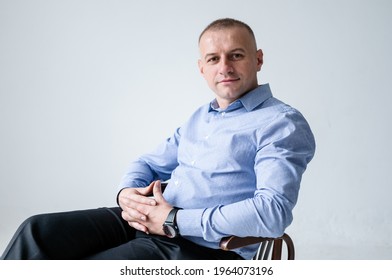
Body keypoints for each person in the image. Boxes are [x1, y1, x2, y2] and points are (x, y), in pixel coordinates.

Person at [1, 18, 315, 260]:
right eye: (213, 59)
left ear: (258, 59)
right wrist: (127, 193)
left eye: (236, 55)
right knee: (37, 232)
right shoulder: (201, 117)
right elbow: (148, 163)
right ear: (201, 68)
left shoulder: (281, 123)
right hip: (147, 221)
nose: (225, 67)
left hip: (205, 247)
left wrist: (176, 219)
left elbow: (273, 213)